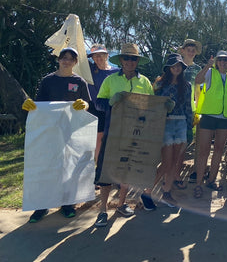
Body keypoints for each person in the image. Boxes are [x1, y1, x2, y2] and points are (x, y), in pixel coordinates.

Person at [22, 47, 90, 223]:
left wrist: (84, 104)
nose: (66, 61)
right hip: (50, 131)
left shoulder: (79, 81)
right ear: (58, 60)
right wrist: (31, 106)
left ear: (75, 62)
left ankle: (67, 205)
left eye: (71, 59)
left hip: (71, 132)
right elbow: (40, 105)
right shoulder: (48, 80)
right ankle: (41, 206)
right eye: (63, 58)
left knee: (68, 167)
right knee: (46, 166)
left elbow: (88, 106)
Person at [93, 43, 153, 227]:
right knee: (107, 172)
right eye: (126, 58)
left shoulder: (145, 82)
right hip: (114, 131)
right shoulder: (110, 80)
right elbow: (99, 104)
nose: (130, 61)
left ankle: (121, 204)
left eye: (133, 58)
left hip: (135, 134)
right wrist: (111, 102)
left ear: (137, 61)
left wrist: (163, 107)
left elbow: (151, 106)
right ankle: (102, 210)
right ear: (121, 60)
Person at [151, 53, 193, 207]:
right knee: (167, 162)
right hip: (165, 124)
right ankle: (148, 191)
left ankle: (166, 192)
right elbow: (154, 104)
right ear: (168, 68)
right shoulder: (160, 83)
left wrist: (189, 128)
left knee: (175, 162)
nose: (176, 68)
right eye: (174, 65)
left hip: (181, 124)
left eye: (179, 66)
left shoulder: (186, 85)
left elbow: (188, 108)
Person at [193, 51, 227, 198]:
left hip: (224, 119)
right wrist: (206, 66)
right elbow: (197, 80)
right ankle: (198, 184)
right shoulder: (210, 73)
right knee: (204, 151)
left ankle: (211, 180)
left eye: (225, 60)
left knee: (218, 150)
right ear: (216, 61)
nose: (223, 62)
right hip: (209, 117)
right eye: (220, 60)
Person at [86, 44, 120, 163]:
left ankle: (112, 165)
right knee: (99, 137)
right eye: (95, 56)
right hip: (96, 109)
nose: (98, 58)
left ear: (107, 56)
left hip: (115, 109)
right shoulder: (89, 71)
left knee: (114, 137)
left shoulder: (118, 72)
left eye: (101, 54)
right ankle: (98, 164)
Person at [177, 39, 203, 186]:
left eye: (193, 49)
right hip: (176, 108)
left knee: (188, 140)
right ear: (183, 50)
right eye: (189, 49)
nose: (191, 52)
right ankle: (173, 173)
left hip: (190, 109)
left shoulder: (198, 68)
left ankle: (188, 172)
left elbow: (198, 89)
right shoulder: (176, 65)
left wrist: (198, 109)